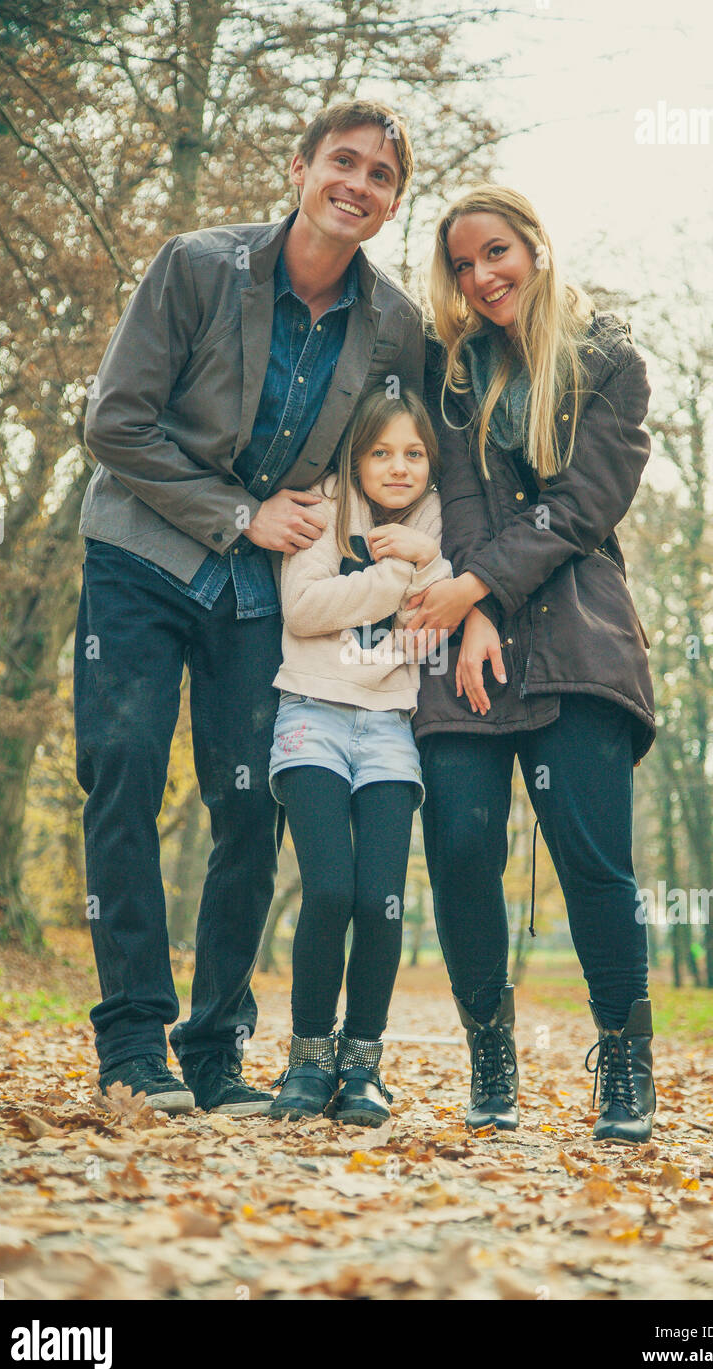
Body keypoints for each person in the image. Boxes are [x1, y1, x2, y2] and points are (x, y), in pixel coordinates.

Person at [74, 100, 423, 1116]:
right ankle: (133, 1040)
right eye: (342, 161)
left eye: (380, 176)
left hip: (260, 590)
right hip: (141, 554)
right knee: (123, 776)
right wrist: (238, 511)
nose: (356, 184)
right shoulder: (196, 266)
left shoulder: (393, 323)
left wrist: (430, 558)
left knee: (248, 805)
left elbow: (401, 453)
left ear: (391, 202)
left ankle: (216, 1046)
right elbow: (116, 423)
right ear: (300, 164)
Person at [406, 185, 657, 1142]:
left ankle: (625, 1069)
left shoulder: (609, 363)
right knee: (462, 847)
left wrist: (481, 596)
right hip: (467, 642)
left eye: (497, 253)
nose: (481, 278)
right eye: (463, 266)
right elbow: (463, 496)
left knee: (593, 862)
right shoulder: (457, 374)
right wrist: (472, 608)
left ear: (538, 249)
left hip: (577, 631)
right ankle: (490, 1057)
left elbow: (585, 506)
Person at [268, 387, 451, 1127]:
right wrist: (398, 576)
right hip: (310, 713)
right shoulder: (322, 507)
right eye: (381, 452)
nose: (398, 467)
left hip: (387, 729)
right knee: (330, 892)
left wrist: (428, 563)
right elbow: (301, 609)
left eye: (413, 453)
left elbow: (427, 632)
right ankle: (308, 1058)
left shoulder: (435, 522)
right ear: (357, 456)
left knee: (381, 900)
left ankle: (364, 1063)